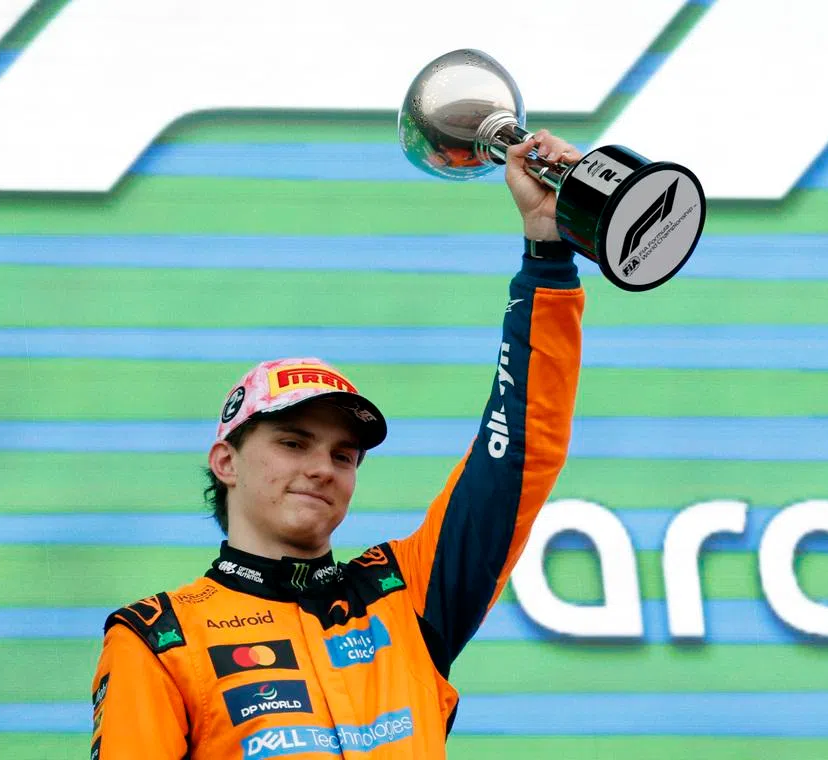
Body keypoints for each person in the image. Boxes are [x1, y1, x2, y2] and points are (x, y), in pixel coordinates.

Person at [89, 130, 586, 760]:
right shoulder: (159, 639)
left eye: (343, 455)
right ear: (226, 462)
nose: (322, 468)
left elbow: (518, 450)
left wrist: (546, 254)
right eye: (294, 443)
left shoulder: (407, 595)